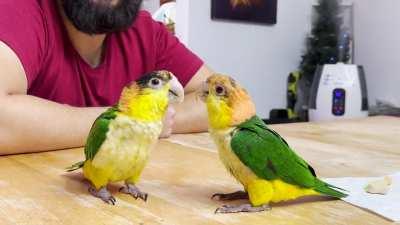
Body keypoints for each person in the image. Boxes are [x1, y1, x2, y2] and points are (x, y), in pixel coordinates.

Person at [0, 0, 212, 155]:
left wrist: (150, 121)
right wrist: (126, 123)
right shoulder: (20, 11)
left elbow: (224, 99)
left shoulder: (144, 30)